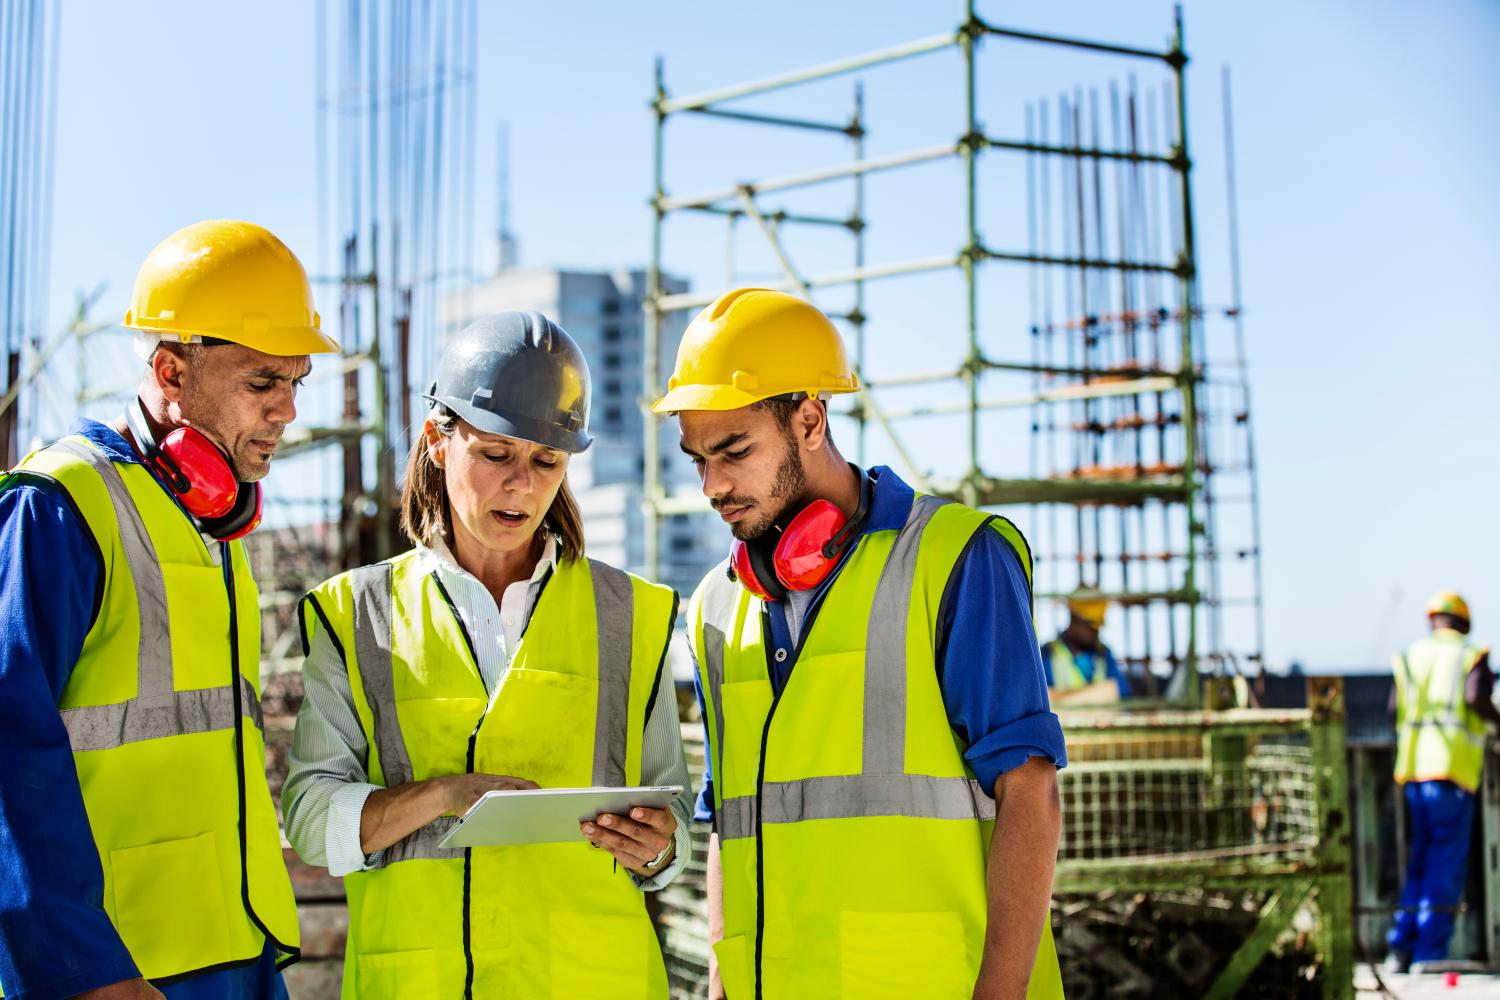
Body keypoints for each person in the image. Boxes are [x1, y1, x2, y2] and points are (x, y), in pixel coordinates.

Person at [654, 288, 1066, 1000]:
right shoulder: (715, 608)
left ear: (810, 419)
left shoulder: (957, 559)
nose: (713, 486)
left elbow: (1030, 793)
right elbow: (731, 822)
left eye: (734, 451)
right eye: (697, 459)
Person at [281, 312, 693, 998]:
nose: (522, 486)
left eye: (546, 463)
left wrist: (660, 847)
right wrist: (445, 795)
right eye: (497, 454)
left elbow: (670, 822)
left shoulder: (633, 616)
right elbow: (313, 822)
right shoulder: (358, 616)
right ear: (437, 443)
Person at [0, 220, 335, 999]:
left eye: (297, 382)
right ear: (171, 369)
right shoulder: (62, 506)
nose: (287, 410)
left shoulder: (211, 526)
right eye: (262, 383)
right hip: (115, 969)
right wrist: (81, 971)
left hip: (236, 955)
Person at [1385, 590, 1498, 974]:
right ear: (1463, 622)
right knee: (1444, 865)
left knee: (1418, 862)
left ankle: (1399, 948)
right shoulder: (1470, 655)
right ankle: (1429, 955)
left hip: (1414, 771)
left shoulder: (1411, 657)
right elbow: (1478, 698)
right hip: (1451, 771)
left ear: (1433, 620)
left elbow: (1392, 710)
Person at [1042, 589, 1132, 705]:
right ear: (1074, 619)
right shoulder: (1048, 654)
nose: (1096, 632)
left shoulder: (1103, 653)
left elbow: (1120, 692)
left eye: (1098, 627)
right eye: (1091, 626)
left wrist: (1063, 698)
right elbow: (1045, 700)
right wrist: (1100, 693)